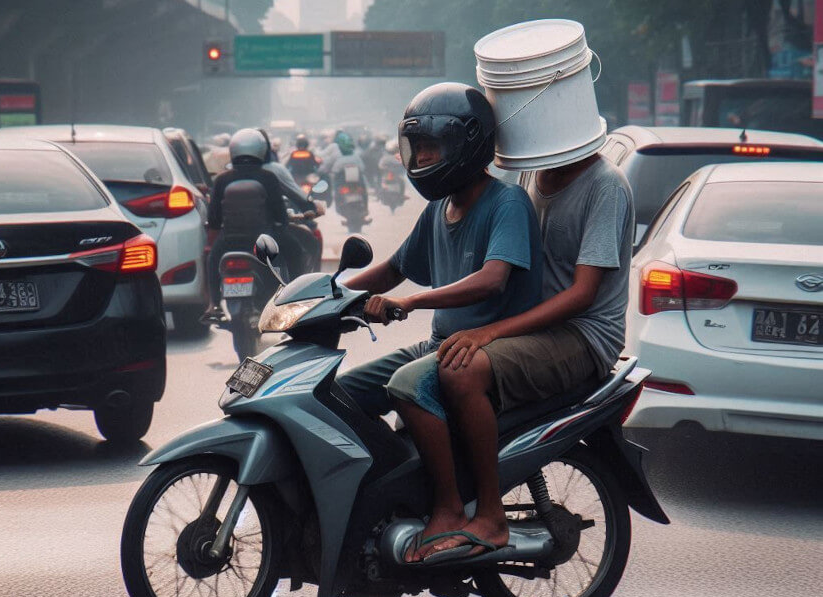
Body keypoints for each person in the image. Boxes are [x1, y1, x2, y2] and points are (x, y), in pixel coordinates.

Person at [391, 145, 635, 563]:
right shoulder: (529, 175)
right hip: (532, 330)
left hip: (581, 335)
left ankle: (490, 515)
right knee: (406, 382)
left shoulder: (605, 185)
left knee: (461, 372)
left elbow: (582, 294)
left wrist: (488, 332)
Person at [336, 83, 544, 552]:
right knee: (343, 393)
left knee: (409, 384)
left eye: (432, 147)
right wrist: (325, 295)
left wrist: (414, 302)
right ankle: (399, 485)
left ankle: (449, 507)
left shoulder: (505, 202)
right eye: (418, 149)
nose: (423, 158)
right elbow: (393, 269)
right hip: (441, 343)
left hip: (489, 346)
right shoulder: (439, 208)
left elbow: (493, 279)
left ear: (467, 143)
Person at [201, 128, 310, 323]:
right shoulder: (268, 177)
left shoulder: (222, 179)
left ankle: (214, 305)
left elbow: (215, 219)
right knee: (296, 251)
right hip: (265, 240)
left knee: (211, 259)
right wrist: (281, 223)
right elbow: (280, 216)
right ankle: (295, 299)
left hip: (229, 241)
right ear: (261, 150)